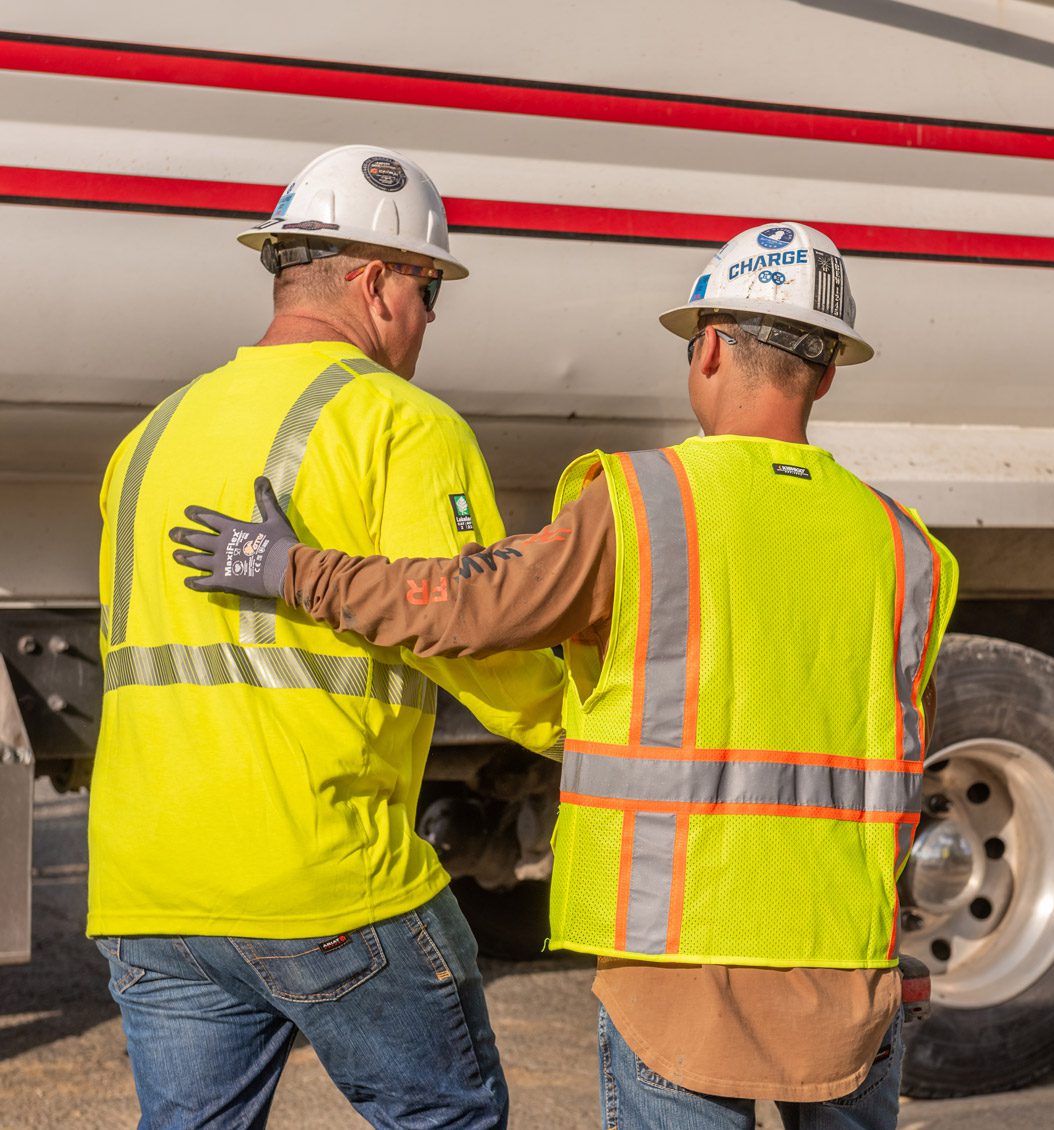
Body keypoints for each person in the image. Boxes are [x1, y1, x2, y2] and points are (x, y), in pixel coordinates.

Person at [171, 221, 959, 1130]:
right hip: (846, 976)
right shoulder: (906, 550)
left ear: (706, 351)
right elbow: (903, 756)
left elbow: (464, 608)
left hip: (678, 975)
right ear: (825, 374)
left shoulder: (642, 507)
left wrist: (291, 569)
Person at [92, 144, 564, 1129]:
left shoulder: (150, 435)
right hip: (326, 873)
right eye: (432, 292)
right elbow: (474, 633)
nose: (429, 320)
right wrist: (599, 726)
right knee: (447, 1116)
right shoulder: (399, 422)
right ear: (380, 280)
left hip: (148, 883)